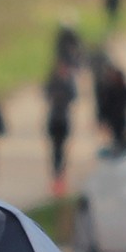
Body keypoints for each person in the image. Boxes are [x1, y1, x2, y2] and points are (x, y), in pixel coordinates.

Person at [44, 60, 78, 195]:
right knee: (56, 150)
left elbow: (73, 97)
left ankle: (60, 177)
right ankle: (57, 176)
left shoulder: (68, 83)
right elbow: (47, 95)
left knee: (62, 150)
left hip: (63, 120)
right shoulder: (53, 83)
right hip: (54, 120)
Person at [98, 65, 126, 149]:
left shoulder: (122, 88)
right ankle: (119, 147)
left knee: (121, 133)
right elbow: (104, 104)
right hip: (114, 117)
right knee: (117, 134)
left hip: (121, 115)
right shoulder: (109, 89)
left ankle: (121, 147)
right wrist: (102, 117)